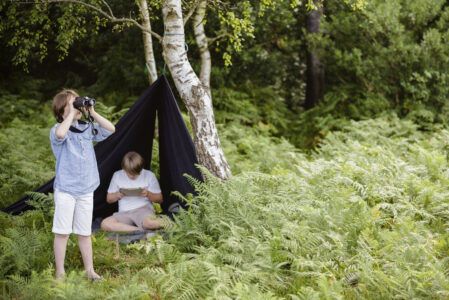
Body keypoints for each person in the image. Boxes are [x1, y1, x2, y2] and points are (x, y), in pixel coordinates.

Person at [50, 89, 115, 280]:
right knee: (62, 232)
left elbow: (111, 129)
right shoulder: (56, 130)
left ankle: (89, 270)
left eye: (77, 103)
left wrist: (92, 112)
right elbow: (61, 134)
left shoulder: (87, 128)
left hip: (86, 188)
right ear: (61, 110)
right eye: (71, 104)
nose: (77, 107)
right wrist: (70, 113)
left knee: (85, 233)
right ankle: (60, 273)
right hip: (66, 190)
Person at [101, 151, 163, 232]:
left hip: (143, 210)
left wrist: (148, 194)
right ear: (124, 169)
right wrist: (117, 195)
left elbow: (160, 199)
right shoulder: (117, 175)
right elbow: (109, 199)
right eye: (129, 173)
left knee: (150, 223)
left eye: (136, 174)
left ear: (141, 169)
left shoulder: (149, 175)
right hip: (124, 213)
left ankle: (173, 224)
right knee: (105, 224)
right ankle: (139, 230)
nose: (132, 176)